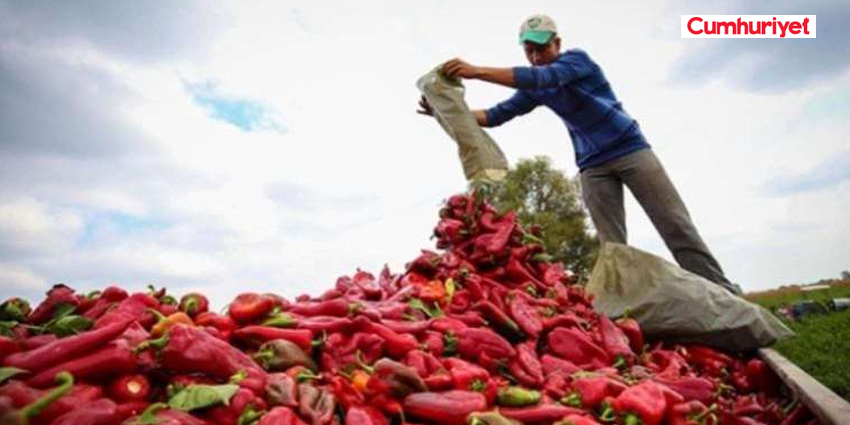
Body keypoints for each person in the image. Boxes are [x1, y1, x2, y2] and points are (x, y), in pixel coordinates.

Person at [417, 14, 739, 294]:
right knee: (612, 247)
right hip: (593, 166)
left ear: (557, 42)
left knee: (675, 224)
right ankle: (627, 305)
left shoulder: (576, 62)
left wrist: (477, 71)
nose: (536, 55)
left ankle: (722, 293)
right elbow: (496, 115)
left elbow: (545, 76)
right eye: (529, 50)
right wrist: (446, 112)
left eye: (541, 47)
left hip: (631, 150)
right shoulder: (536, 86)